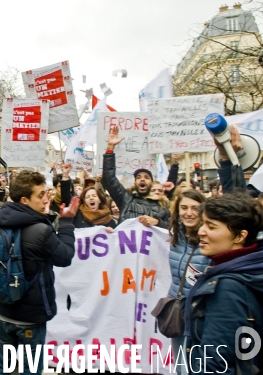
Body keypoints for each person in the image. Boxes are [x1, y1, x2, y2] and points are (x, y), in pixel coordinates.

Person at [0, 170, 77, 375]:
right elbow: (65, 257)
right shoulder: (40, 230)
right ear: (24, 200)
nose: (46, 198)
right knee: (30, 370)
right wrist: (66, 224)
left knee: (1, 369)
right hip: (30, 317)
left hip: (2, 311)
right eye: (40, 195)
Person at [184, 193, 263, 374]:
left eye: (211, 226)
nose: (201, 231)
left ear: (240, 236)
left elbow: (215, 363)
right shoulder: (249, 268)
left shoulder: (228, 286)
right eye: (203, 223)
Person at [165, 189, 209, 373]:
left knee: (197, 364)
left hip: (200, 312)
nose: (188, 213)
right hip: (177, 308)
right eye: (184, 208)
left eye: (194, 208)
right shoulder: (176, 234)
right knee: (179, 363)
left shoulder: (209, 237)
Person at [101, 125, 170, 228]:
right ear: (135, 183)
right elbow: (109, 179)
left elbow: (172, 231)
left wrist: (158, 223)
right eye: (138, 177)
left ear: (152, 183)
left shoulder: (162, 207)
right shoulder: (125, 199)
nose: (142, 179)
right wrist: (110, 148)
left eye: (146, 177)